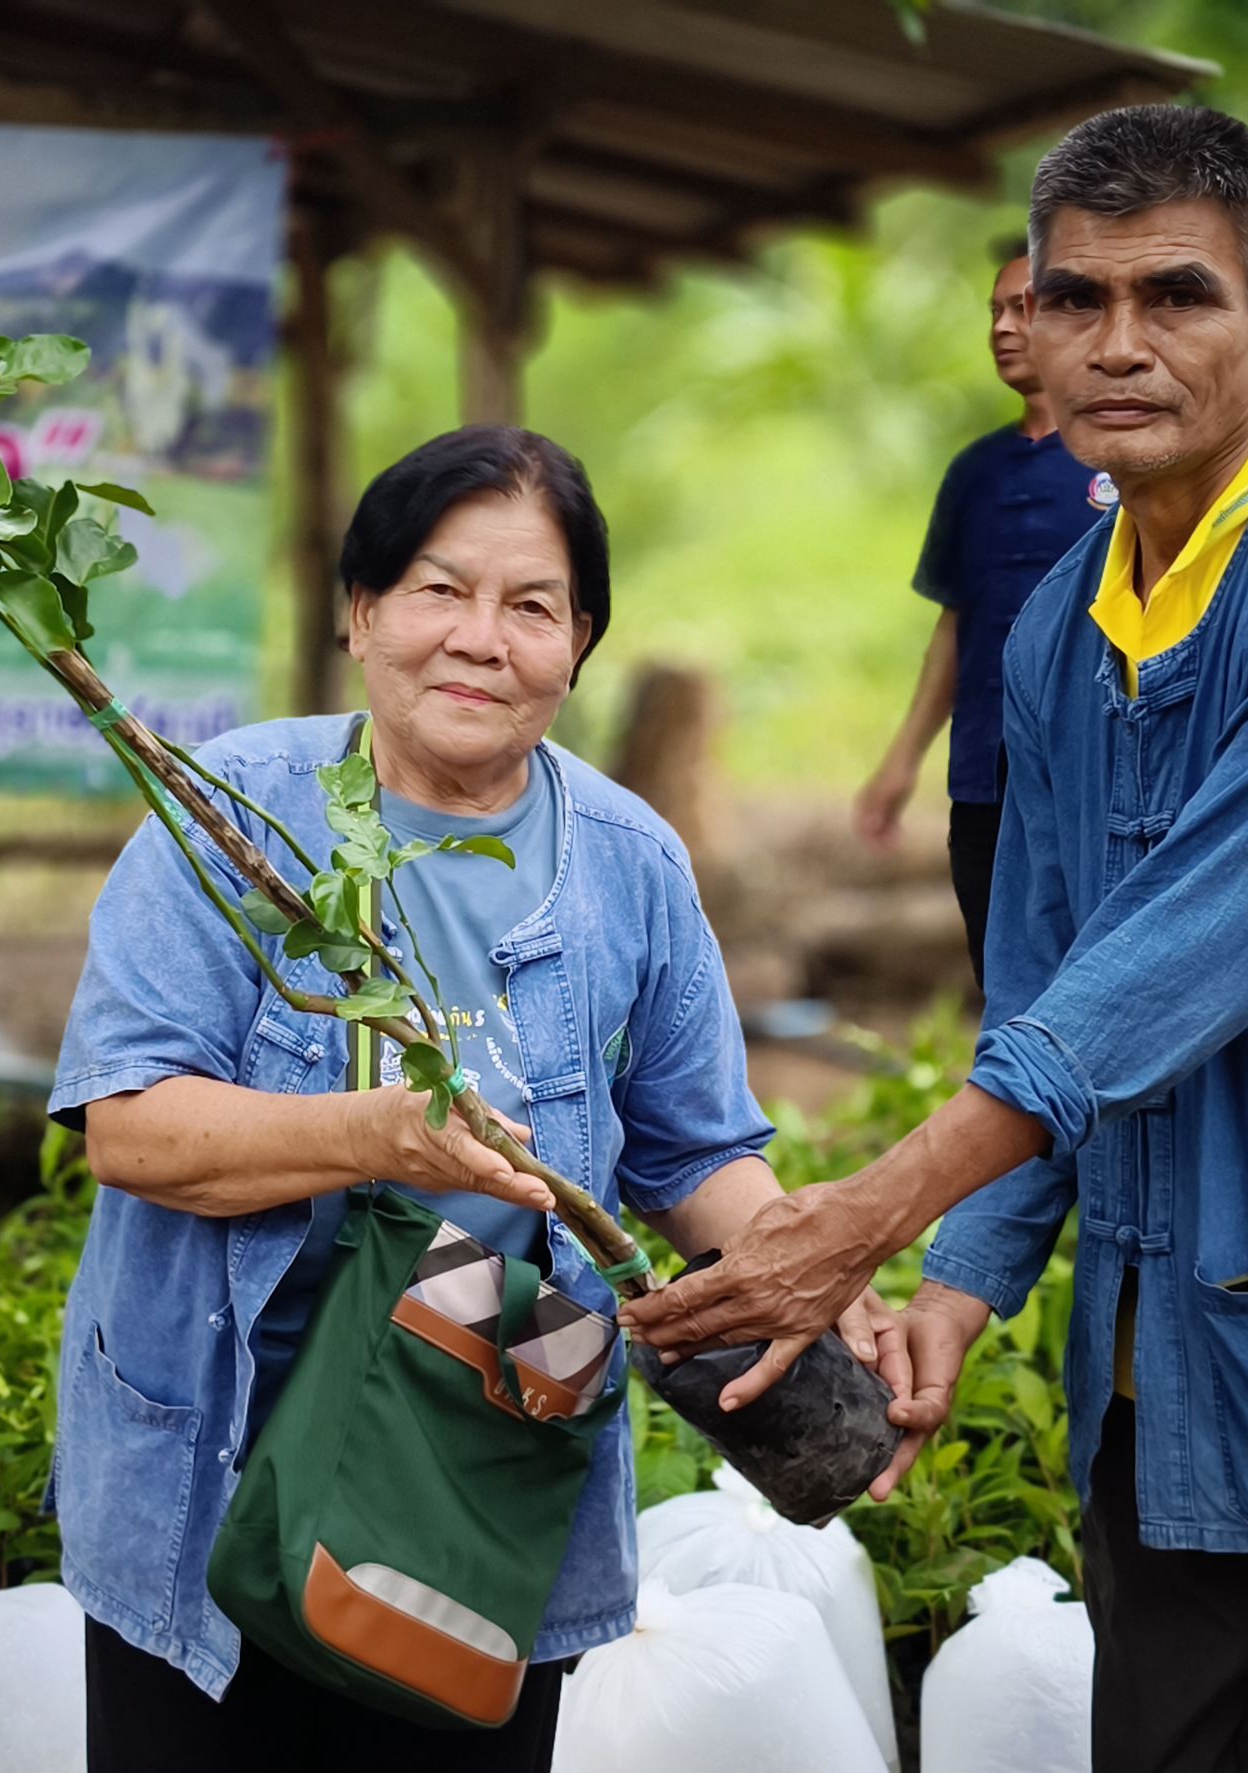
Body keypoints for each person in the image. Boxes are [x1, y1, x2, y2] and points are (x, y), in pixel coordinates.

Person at [625, 106, 1248, 1773]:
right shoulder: (1052, 625)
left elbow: (1182, 953)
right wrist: (955, 1283)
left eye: (1172, 296)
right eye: (1076, 299)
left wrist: (869, 1211)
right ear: (1016, 326)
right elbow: (1039, 979)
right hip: (1166, 1393)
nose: (1118, 343)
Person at [47, 427, 902, 1771]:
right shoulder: (233, 819)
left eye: (533, 607)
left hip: (482, 1486)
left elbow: (697, 1154)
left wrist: (808, 1268)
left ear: (579, 646)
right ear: (362, 610)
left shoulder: (628, 864)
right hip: (218, 1473)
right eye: (439, 591)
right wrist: (375, 1133)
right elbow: (134, 1127)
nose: (480, 640)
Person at [854, 240, 1115, 984]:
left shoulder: (1125, 457)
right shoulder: (973, 473)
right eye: (994, 311)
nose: (1002, 326)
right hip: (983, 781)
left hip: (1096, 775)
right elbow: (955, 623)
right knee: (1002, 984)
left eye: (1023, 307)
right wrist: (900, 762)